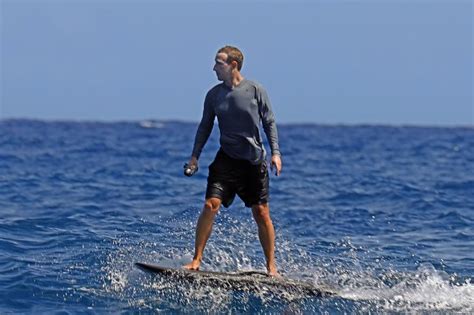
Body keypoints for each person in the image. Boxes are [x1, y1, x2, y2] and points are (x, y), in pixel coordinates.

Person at [183, 45, 282, 276]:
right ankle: (196, 260)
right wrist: (194, 157)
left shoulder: (256, 90)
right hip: (226, 160)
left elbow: (269, 122)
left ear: (233, 65)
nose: (214, 68)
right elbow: (205, 126)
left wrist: (275, 152)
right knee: (210, 205)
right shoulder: (214, 95)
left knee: (261, 212)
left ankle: (271, 267)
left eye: (219, 63)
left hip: (253, 162)